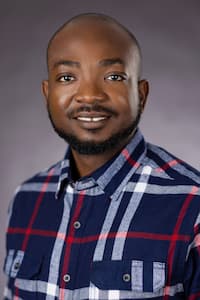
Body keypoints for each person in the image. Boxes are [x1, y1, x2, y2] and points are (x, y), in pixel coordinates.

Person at [3, 13, 200, 300]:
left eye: (114, 77)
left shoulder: (193, 204)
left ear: (141, 95)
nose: (89, 95)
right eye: (67, 77)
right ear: (47, 93)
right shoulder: (26, 199)